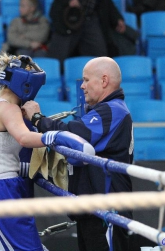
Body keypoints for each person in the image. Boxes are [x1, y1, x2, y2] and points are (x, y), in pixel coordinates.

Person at [0, 52, 95, 251]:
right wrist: (56, 137)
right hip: (0, 190)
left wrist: (23, 167)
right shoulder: (8, 109)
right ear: (26, 84)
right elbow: (23, 137)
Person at [22, 57, 134, 251]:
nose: (82, 86)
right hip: (94, 207)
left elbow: (72, 134)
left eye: (86, 80)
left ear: (104, 81)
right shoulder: (108, 109)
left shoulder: (112, 110)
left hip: (105, 209)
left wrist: (38, 118)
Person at [47, 0, 128, 67]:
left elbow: (106, 0)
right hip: (68, 18)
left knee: (99, 56)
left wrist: (117, 18)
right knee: (57, 57)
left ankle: (96, 78)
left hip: (90, 18)